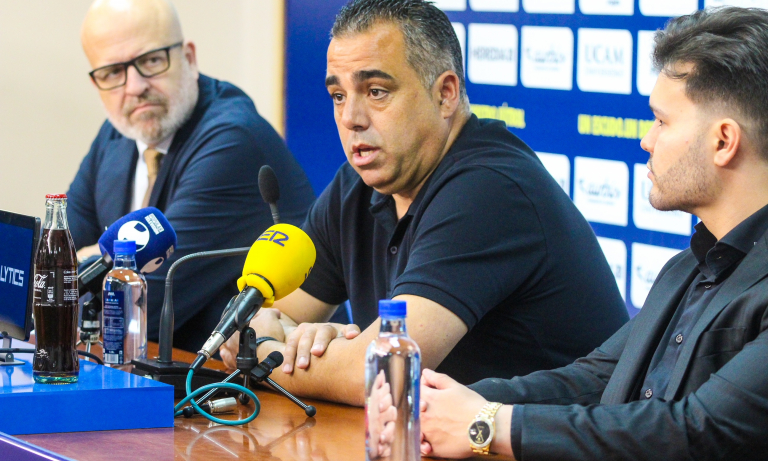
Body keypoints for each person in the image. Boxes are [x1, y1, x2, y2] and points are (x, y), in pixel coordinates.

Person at [220, 0, 628, 406]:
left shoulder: (490, 189)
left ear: (445, 94)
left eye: (376, 92)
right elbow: (246, 324)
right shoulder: (358, 186)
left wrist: (267, 353)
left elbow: (382, 373)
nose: (351, 118)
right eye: (338, 95)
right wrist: (297, 344)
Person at [418, 7, 768, 460]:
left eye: (662, 121)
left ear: (723, 141)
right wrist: (444, 402)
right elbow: (594, 378)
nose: (647, 139)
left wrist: (486, 424)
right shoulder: (687, 268)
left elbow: (694, 432)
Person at [68, 0, 315, 352]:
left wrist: (92, 263)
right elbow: (58, 260)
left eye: (151, 61)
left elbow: (138, 306)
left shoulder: (233, 140)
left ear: (189, 57)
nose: (134, 86)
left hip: (254, 383)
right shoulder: (117, 134)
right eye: (112, 72)